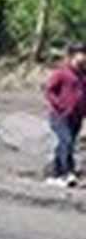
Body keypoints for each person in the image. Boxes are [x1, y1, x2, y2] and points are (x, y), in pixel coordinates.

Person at [44, 44, 86, 187]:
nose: (84, 57)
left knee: (66, 144)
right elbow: (49, 91)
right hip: (59, 116)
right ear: (73, 56)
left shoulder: (82, 75)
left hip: (77, 117)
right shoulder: (61, 73)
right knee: (66, 142)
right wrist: (60, 106)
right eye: (82, 54)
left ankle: (55, 173)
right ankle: (67, 173)